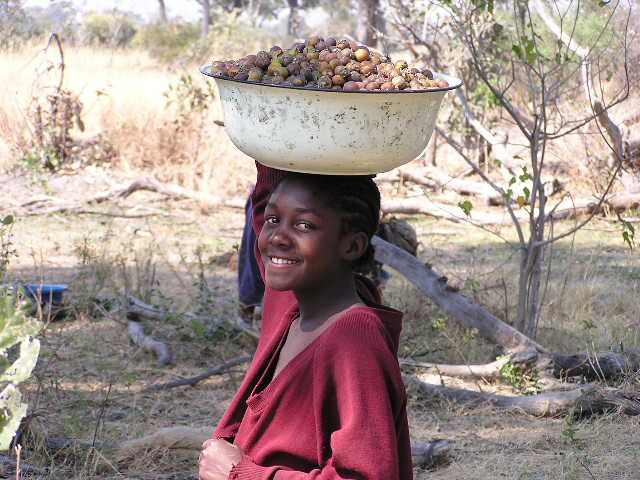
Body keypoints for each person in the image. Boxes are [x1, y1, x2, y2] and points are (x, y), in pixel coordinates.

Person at [199, 162, 412, 480]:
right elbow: (266, 197)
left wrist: (241, 474)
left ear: (351, 246)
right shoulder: (291, 302)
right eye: (274, 219)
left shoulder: (355, 339)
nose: (277, 238)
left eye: (304, 225)